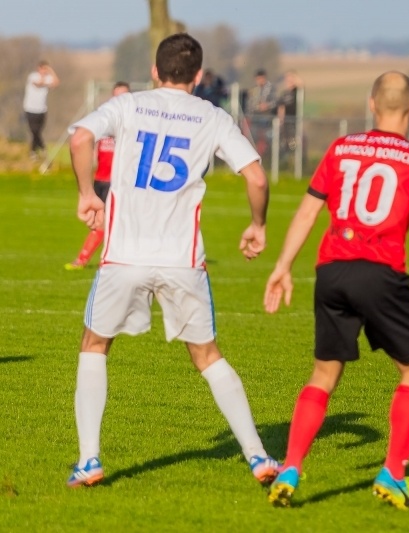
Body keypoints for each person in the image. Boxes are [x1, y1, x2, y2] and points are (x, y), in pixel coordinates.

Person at [263, 71, 409, 510]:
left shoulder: (341, 147)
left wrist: (282, 266)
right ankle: (394, 473)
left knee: (324, 375)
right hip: (381, 275)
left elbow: (308, 212)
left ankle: (290, 468)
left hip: (331, 272)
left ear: (371, 104)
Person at [65, 34, 279, 488]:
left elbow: (81, 136)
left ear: (155, 71)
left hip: (123, 255)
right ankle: (258, 457)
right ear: (198, 77)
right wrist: (257, 224)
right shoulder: (212, 116)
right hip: (182, 258)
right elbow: (256, 177)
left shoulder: (129, 105)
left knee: (94, 345)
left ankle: (89, 460)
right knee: (207, 356)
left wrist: (87, 194)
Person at [65, 82, 130, 271]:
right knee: (99, 223)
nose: (119, 99)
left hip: (117, 182)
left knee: (112, 223)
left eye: (123, 95)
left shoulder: (131, 127)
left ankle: (88, 260)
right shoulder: (105, 124)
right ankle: (96, 259)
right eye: (116, 95)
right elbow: (88, 146)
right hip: (99, 180)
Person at [23, 60, 60, 158]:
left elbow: (56, 83)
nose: (44, 71)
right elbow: (38, 84)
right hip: (30, 108)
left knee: (38, 131)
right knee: (34, 131)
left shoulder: (49, 78)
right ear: (38, 68)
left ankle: (33, 152)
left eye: (46, 69)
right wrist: (44, 77)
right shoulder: (33, 76)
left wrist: (51, 71)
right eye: (43, 69)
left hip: (42, 109)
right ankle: (42, 148)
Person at [245, 69, 277, 159]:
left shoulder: (271, 89)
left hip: (267, 118)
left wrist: (267, 105)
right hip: (255, 118)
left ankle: (266, 156)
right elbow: (249, 104)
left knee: (266, 138)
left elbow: (275, 102)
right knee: (254, 138)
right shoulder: (254, 89)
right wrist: (256, 107)